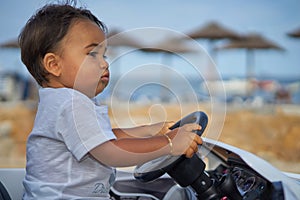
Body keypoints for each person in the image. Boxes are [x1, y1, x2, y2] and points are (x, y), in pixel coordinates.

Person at [18, 1, 202, 199]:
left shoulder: (61, 101)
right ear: (54, 64)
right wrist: (168, 143)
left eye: (103, 55)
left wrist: (147, 130)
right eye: (92, 54)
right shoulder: (70, 103)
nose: (105, 63)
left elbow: (102, 139)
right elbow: (109, 151)